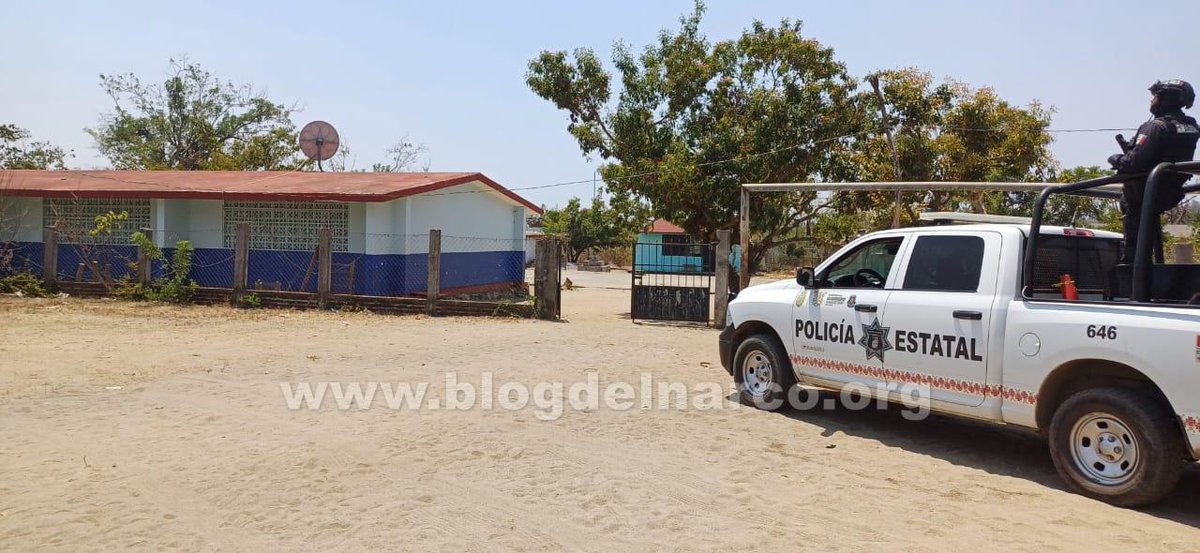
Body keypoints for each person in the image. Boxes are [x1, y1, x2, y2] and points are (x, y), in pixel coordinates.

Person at [1108, 79, 1199, 264]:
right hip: (1171, 192)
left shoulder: (1156, 127)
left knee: (1134, 244)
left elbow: (1133, 162)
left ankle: (1133, 272)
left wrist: (1116, 159)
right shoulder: (1191, 125)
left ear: (1166, 99)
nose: (1152, 101)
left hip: (1145, 192)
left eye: (1155, 96)